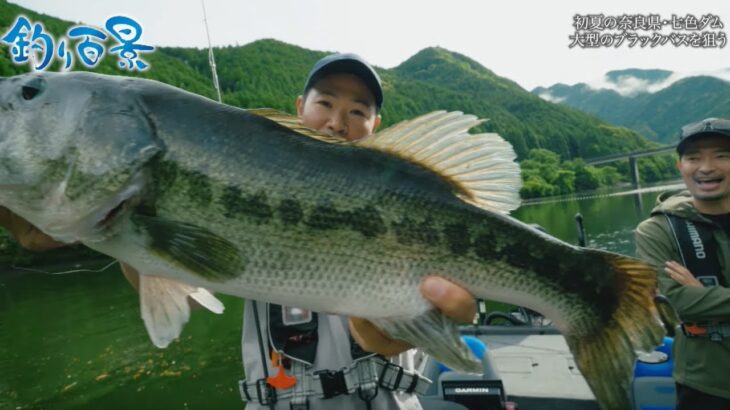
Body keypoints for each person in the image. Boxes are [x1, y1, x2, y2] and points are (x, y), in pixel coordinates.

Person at [0, 53, 476, 410]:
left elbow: (382, 340)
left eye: (358, 111)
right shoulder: (250, 177)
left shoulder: (406, 201)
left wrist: (406, 331)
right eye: (325, 102)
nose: (336, 121)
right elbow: (177, 293)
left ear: (377, 125)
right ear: (298, 107)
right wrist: (125, 231)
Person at [635, 117, 730, 410]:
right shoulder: (656, 231)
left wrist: (702, 294)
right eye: (693, 157)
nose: (706, 167)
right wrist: (688, 296)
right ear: (680, 167)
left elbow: (694, 300)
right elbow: (674, 302)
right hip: (705, 383)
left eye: (721, 155)